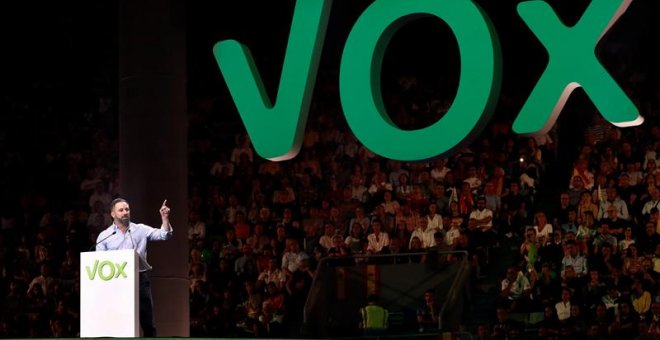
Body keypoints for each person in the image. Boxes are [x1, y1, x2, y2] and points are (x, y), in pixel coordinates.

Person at [95, 198, 173, 337]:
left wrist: (165, 218)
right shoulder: (104, 236)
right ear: (113, 214)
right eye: (121, 210)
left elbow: (164, 235)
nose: (125, 212)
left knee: (147, 321)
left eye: (127, 209)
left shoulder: (140, 230)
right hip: (116, 282)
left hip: (139, 279)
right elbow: (99, 262)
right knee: (118, 321)